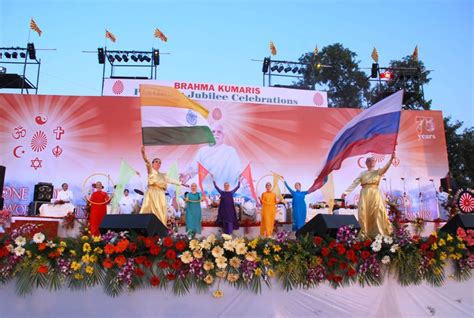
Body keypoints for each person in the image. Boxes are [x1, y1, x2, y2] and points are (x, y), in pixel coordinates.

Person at [342, 152, 396, 239]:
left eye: (373, 161)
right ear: (366, 163)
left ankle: (379, 234)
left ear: (375, 163)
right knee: (364, 213)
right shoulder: (362, 173)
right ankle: (365, 234)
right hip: (365, 194)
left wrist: (391, 160)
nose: (371, 163)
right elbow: (355, 183)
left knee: (377, 212)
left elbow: (385, 169)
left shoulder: (378, 172)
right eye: (369, 161)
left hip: (375, 194)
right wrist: (346, 192)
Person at [180, 123, 242, 190]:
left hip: (225, 190)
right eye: (213, 132)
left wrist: (245, 182)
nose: (216, 134)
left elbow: (238, 171)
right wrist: (186, 176)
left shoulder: (230, 151)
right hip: (206, 191)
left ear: (223, 135)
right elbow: (193, 169)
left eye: (219, 132)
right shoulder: (202, 151)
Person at [139, 146, 182, 225]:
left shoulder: (163, 175)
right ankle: (143, 226)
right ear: (152, 164)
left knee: (161, 211)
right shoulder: (151, 170)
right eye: (156, 162)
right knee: (148, 209)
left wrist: (180, 183)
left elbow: (170, 180)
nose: (158, 163)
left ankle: (162, 227)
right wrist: (143, 153)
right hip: (152, 192)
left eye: (159, 162)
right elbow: (147, 161)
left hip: (161, 193)